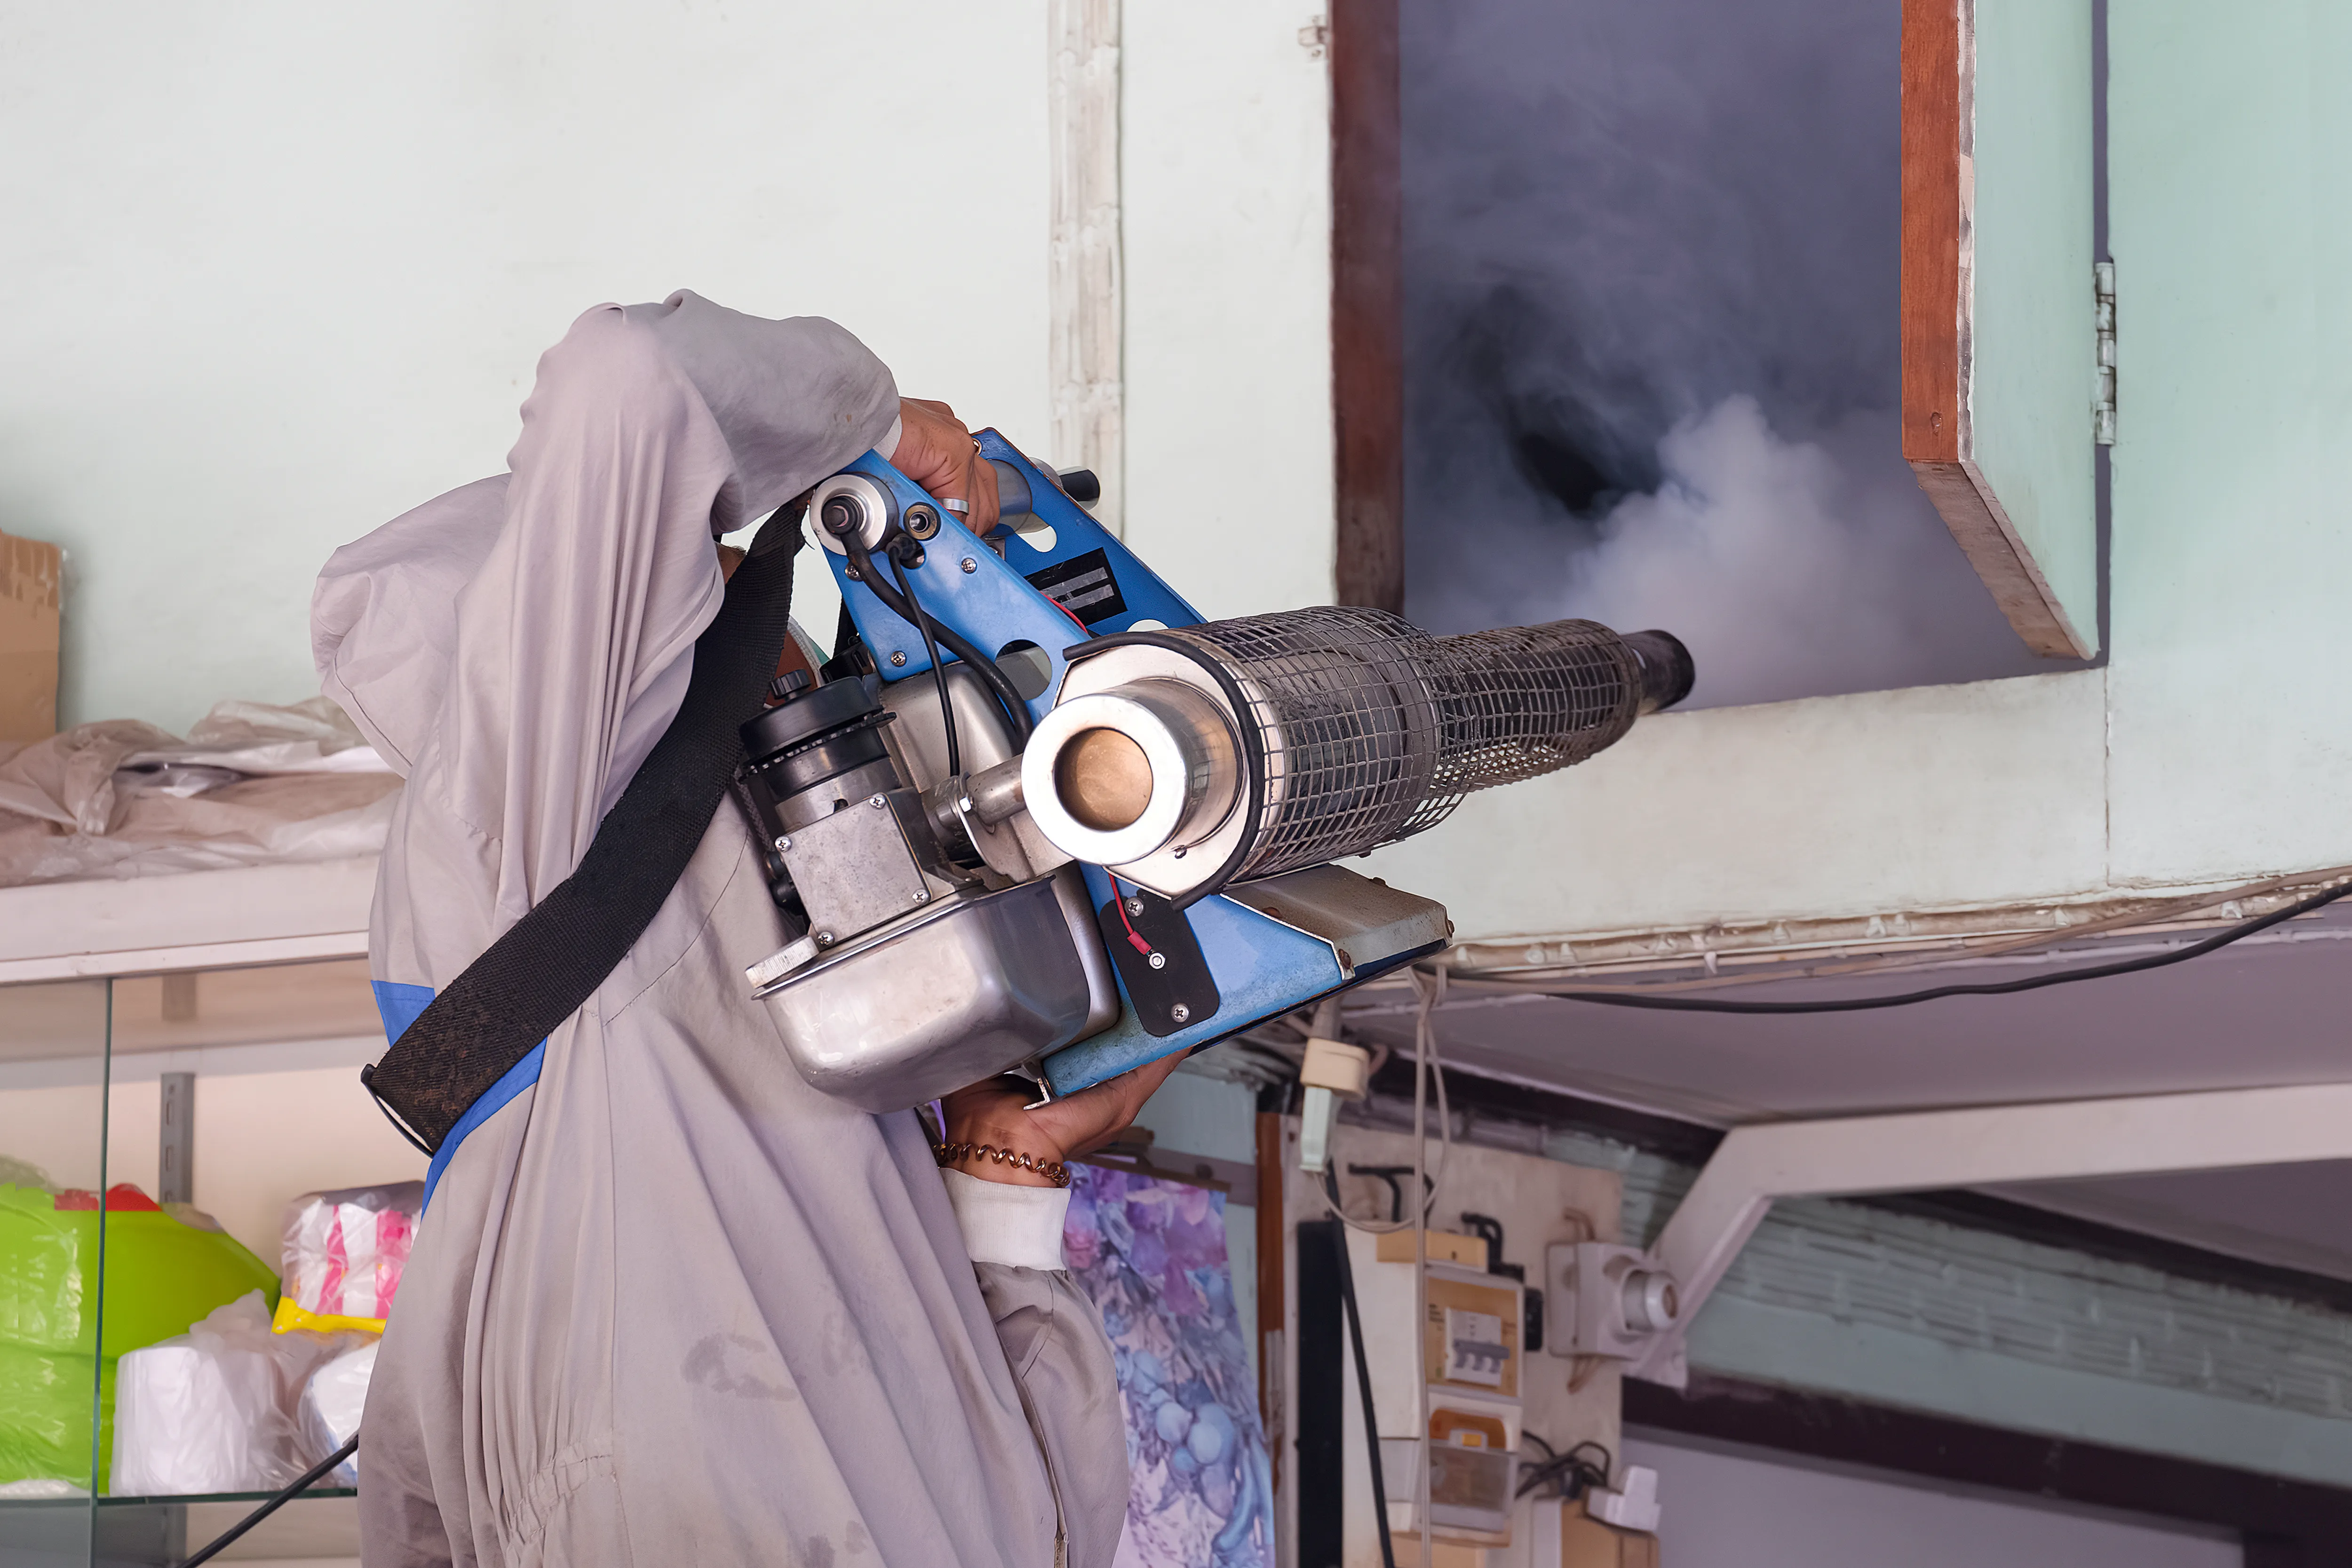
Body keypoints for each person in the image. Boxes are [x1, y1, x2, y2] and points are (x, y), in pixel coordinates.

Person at [312, 291, 1180, 1567]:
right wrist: (869, 429)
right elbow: (633, 377)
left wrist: (1006, 1156)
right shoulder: (530, 818)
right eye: (719, 571)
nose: (804, 665)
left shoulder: (762, 1026)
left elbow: (1021, 1509)